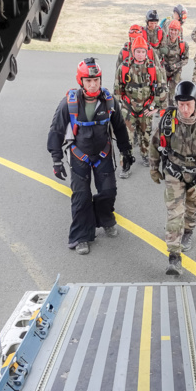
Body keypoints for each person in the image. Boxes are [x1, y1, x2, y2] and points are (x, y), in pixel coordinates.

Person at [47, 58, 134, 255]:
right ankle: (80, 236)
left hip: (103, 154)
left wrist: (126, 151)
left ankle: (104, 218)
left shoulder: (109, 101)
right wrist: (56, 159)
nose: (93, 84)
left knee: (109, 191)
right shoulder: (68, 104)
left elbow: (119, 127)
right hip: (79, 156)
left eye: (96, 80)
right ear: (81, 82)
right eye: (88, 81)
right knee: (81, 197)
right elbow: (56, 131)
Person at [149, 81, 196, 275]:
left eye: (188, 104)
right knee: (174, 214)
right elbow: (155, 145)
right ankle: (174, 257)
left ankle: (188, 232)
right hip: (174, 172)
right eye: (180, 104)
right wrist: (154, 168)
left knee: (192, 210)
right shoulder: (168, 120)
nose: (184, 108)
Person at [115, 36, 163, 174]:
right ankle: (125, 163)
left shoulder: (153, 68)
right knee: (126, 137)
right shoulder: (124, 67)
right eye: (137, 51)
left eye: (143, 51)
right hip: (128, 108)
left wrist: (154, 108)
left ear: (146, 52)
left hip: (146, 108)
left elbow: (162, 89)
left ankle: (144, 154)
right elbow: (117, 89)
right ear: (133, 52)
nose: (140, 54)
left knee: (146, 135)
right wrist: (124, 107)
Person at [158, 19, 189, 108]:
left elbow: (185, 60)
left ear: (179, 32)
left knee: (173, 90)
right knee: (162, 89)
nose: (173, 32)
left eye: (175, 30)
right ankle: (162, 107)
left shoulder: (183, 44)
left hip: (176, 70)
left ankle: (172, 108)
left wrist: (175, 66)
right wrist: (163, 65)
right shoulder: (163, 42)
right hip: (164, 68)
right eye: (171, 29)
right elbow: (157, 54)